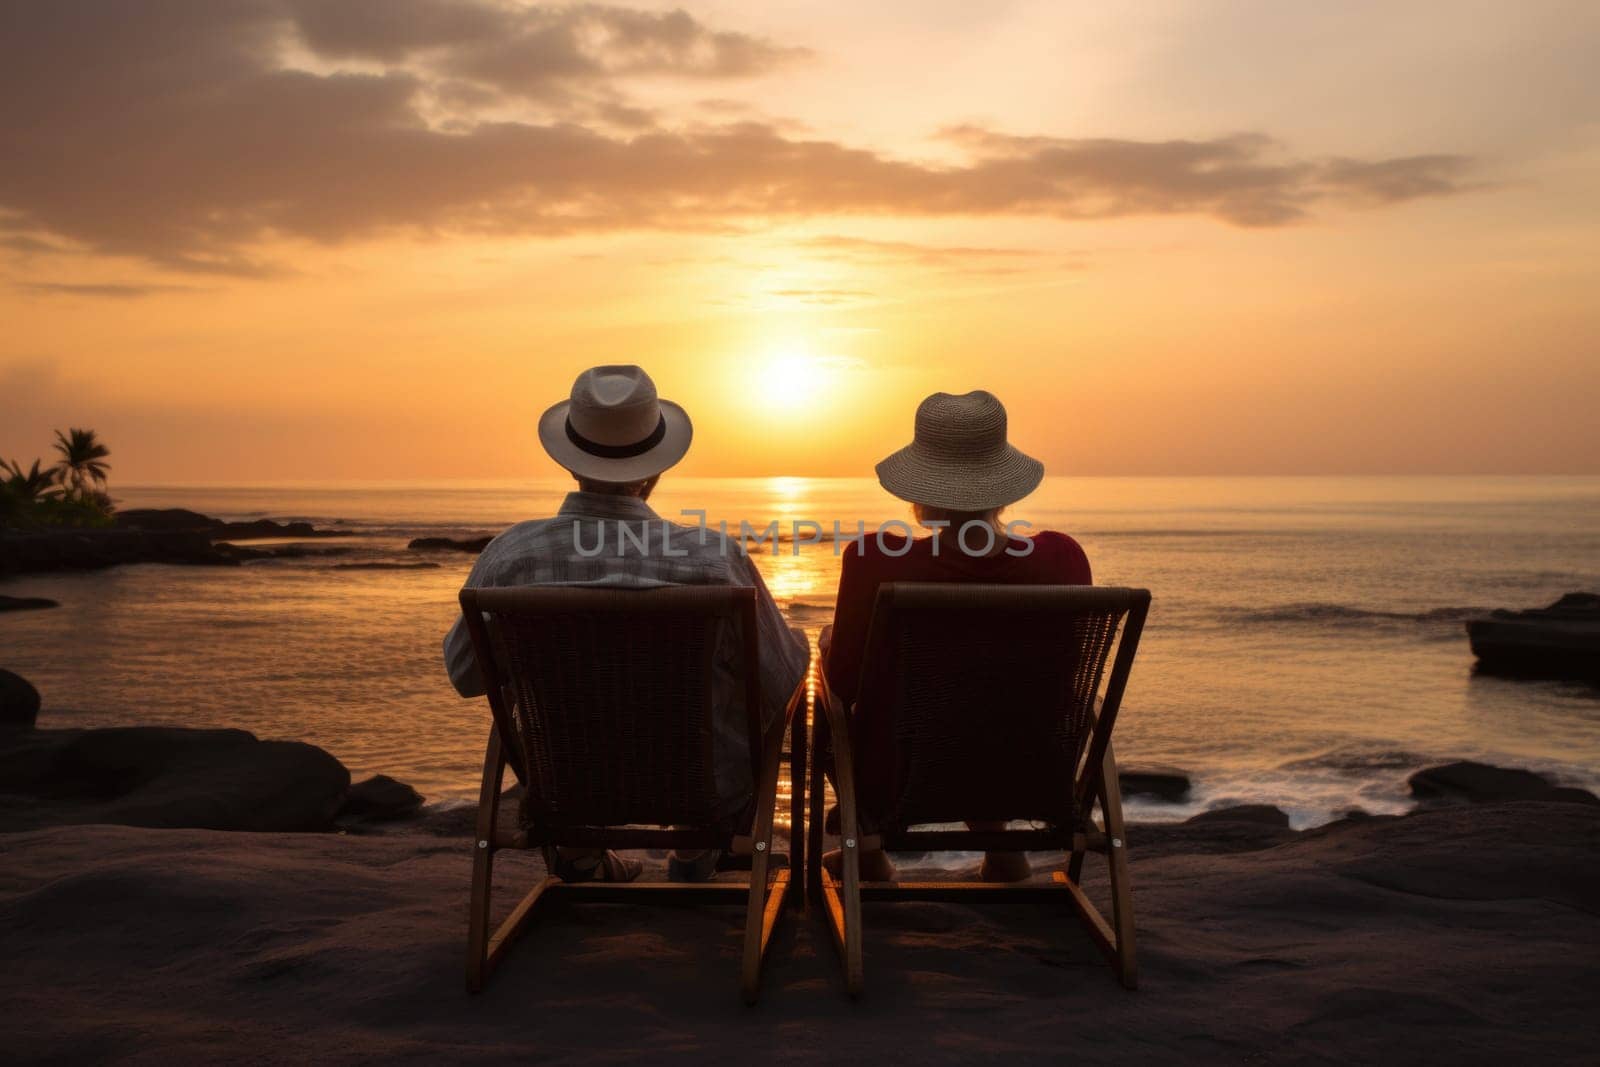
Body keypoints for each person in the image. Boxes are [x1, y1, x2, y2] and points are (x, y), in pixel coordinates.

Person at [444, 365, 809, 883]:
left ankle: (579, 852)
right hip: (707, 790)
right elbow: (783, 684)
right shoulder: (713, 559)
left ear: (570, 464)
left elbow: (465, 676)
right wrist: (799, 645)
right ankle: (696, 847)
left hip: (565, 786)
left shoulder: (510, 558)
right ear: (656, 469)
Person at [821, 389, 1091, 883]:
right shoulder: (1062, 559)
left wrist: (825, 648)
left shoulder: (874, 560)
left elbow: (844, 681)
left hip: (901, 776)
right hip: (1027, 767)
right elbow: (1064, 666)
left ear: (918, 492)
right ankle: (1002, 848)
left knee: (822, 700)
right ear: (1003, 487)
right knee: (992, 686)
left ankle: (868, 854)